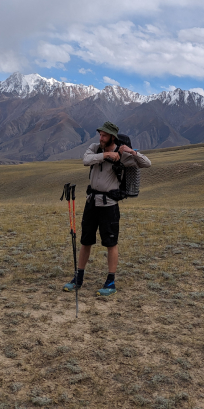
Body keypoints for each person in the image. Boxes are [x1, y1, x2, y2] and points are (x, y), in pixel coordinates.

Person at [63, 121, 151, 297]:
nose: (100, 138)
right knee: (85, 241)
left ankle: (110, 283)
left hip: (109, 205)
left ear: (112, 136)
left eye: (104, 135)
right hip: (91, 202)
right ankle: (78, 278)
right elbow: (85, 161)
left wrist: (131, 152)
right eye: (100, 134)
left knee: (111, 243)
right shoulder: (95, 148)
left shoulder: (122, 154)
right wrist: (106, 155)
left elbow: (146, 163)